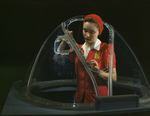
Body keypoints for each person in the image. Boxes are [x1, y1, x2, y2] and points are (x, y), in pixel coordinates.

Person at [54, 14, 117, 103]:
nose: (87, 35)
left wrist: (98, 72)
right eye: (85, 30)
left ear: (99, 32)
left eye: (92, 32)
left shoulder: (106, 49)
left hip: (99, 99)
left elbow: (114, 77)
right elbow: (57, 57)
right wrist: (65, 40)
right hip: (80, 98)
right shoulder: (78, 49)